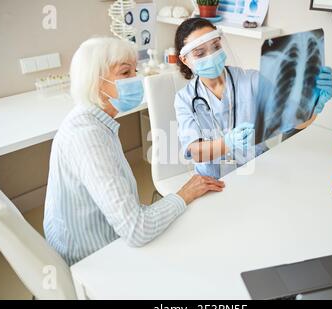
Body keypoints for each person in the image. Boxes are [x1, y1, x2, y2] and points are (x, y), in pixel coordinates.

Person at [43, 37, 225, 265]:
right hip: (93, 258)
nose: (136, 79)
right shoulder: (88, 137)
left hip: (104, 233)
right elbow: (136, 230)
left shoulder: (94, 121)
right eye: (125, 72)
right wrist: (183, 194)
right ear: (96, 82)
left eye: (135, 70)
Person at [174, 18, 332, 179]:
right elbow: (196, 153)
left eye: (216, 46)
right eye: (200, 53)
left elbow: (295, 121)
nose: (212, 56)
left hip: (258, 171)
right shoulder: (184, 99)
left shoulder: (251, 80)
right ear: (185, 60)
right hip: (211, 181)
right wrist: (227, 143)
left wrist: (314, 103)